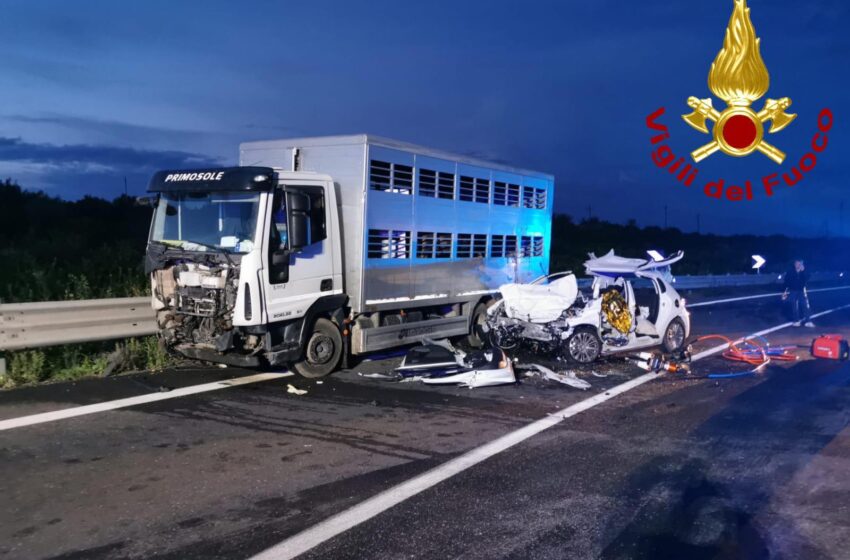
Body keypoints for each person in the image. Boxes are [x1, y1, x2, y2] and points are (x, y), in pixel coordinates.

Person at [782, 259, 814, 327]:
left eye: (800, 264)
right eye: (797, 263)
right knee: (794, 306)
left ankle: (808, 321)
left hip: (801, 291)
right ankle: (796, 320)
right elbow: (786, 280)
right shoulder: (790, 271)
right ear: (794, 264)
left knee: (805, 305)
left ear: (802, 264)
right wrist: (787, 290)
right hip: (792, 291)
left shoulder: (804, 271)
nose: (798, 265)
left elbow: (807, 278)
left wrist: (803, 271)